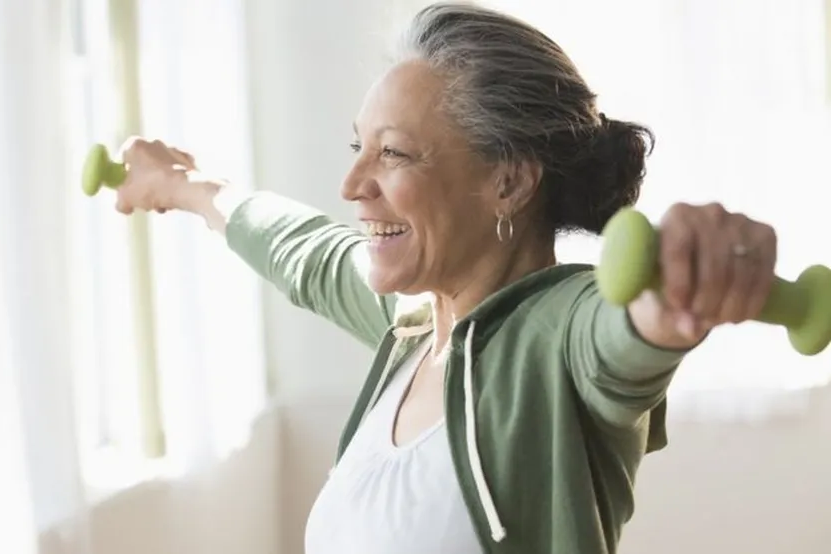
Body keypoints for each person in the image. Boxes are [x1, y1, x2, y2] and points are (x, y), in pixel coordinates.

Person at [112, 3, 777, 553]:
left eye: (393, 153)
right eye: (358, 148)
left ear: (507, 182)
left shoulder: (555, 337)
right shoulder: (413, 329)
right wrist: (185, 185)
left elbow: (620, 335)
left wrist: (674, 297)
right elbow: (305, 253)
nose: (350, 185)